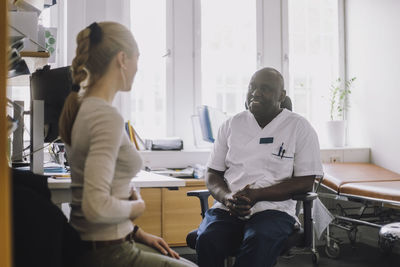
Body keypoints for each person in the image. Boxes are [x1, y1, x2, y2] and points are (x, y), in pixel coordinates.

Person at [59, 21, 196, 267]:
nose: (137, 68)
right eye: (137, 59)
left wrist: (135, 231)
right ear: (122, 59)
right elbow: (95, 206)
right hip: (107, 253)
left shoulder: (84, 107)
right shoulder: (104, 115)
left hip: (109, 241)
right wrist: (136, 208)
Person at [196, 67, 323, 267]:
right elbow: (212, 173)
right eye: (252, 87)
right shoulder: (231, 125)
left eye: (265, 88)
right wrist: (227, 197)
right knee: (207, 239)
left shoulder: (299, 127)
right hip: (229, 207)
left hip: (274, 209)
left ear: (281, 95)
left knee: (258, 240)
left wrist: (257, 195)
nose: (256, 92)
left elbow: (306, 182)